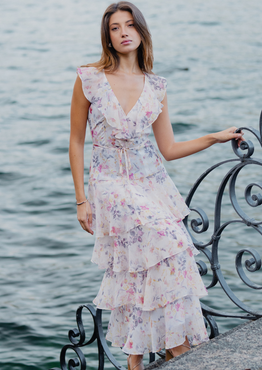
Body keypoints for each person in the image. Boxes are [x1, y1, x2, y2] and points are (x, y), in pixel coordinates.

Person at [69, 2, 243, 369]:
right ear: (108, 37)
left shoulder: (156, 86)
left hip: (152, 183)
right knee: (167, 240)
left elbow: (168, 149)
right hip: (110, 183)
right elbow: (76, 141)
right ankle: (175, 347)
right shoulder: (90, 78)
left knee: (157, 261)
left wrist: (213, 137)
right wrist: (81, 201)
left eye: (129, 25)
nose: (123, 32)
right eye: (115, 28)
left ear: (141, 31)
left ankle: (139, 354)